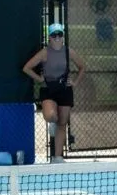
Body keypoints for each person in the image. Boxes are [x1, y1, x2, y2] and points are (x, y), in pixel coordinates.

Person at [22, 23, 86, 163]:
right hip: (49, 89)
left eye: (59, 34)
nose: (57, 37)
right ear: (49, 38)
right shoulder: (44, 53)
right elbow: (27, 68)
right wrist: (39, 79)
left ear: (63, 37)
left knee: (63, 123)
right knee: (51, 116)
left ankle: (57, 157)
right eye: (54, 35)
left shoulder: (69, 51)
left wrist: (74, 82)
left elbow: (82, 67)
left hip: (65, 89)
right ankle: (53, 122)